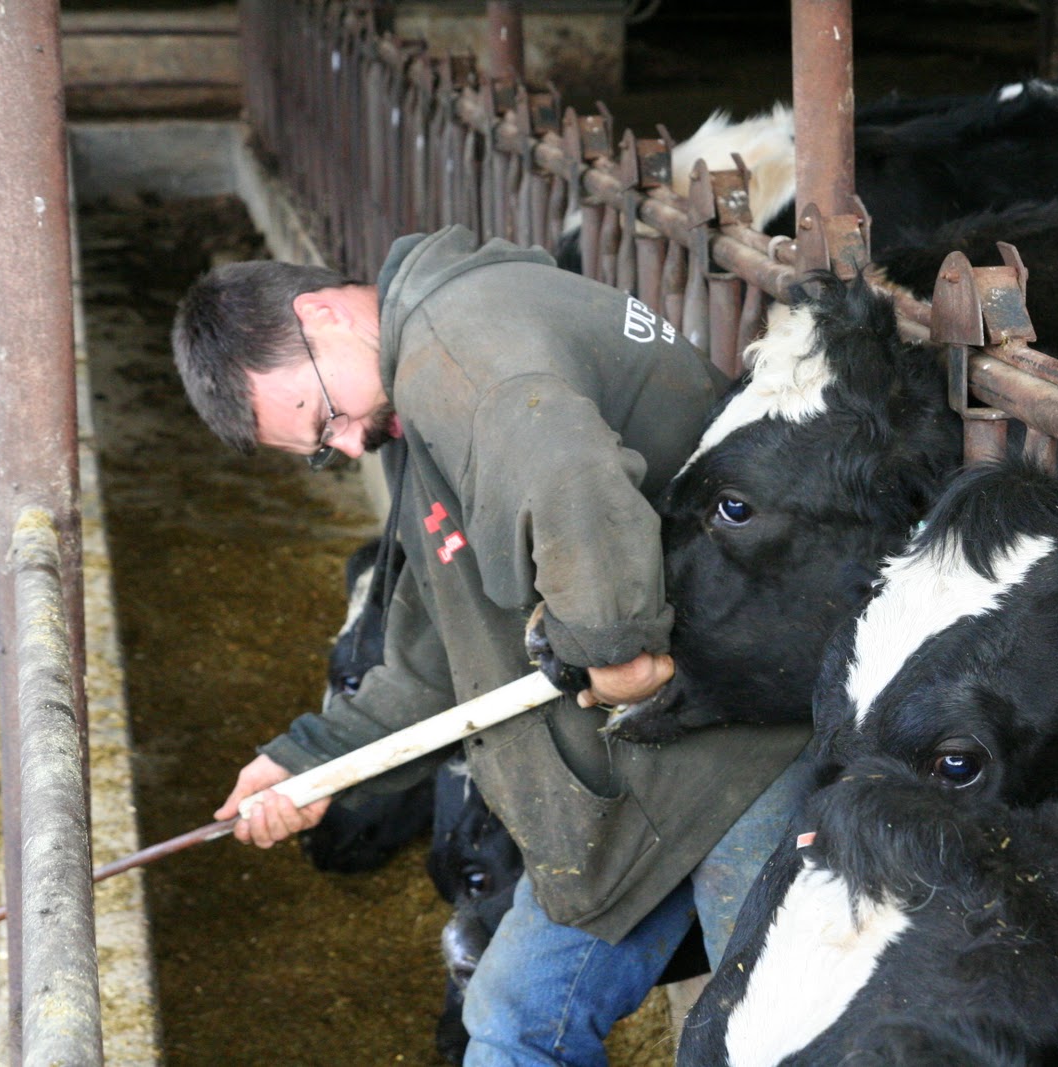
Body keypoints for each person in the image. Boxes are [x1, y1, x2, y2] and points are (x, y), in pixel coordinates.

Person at [170, 226, 813, 1066]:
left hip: (739, 740)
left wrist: (611, 646)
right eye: (325, 453)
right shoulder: (435, 370)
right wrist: (314, 759)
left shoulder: (457, 346)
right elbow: (442, 641)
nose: (352, 444)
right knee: (513, 1018)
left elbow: (568, 472)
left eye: (325, 420)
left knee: (760, 1037)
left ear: (321, 314)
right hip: (651, 772)